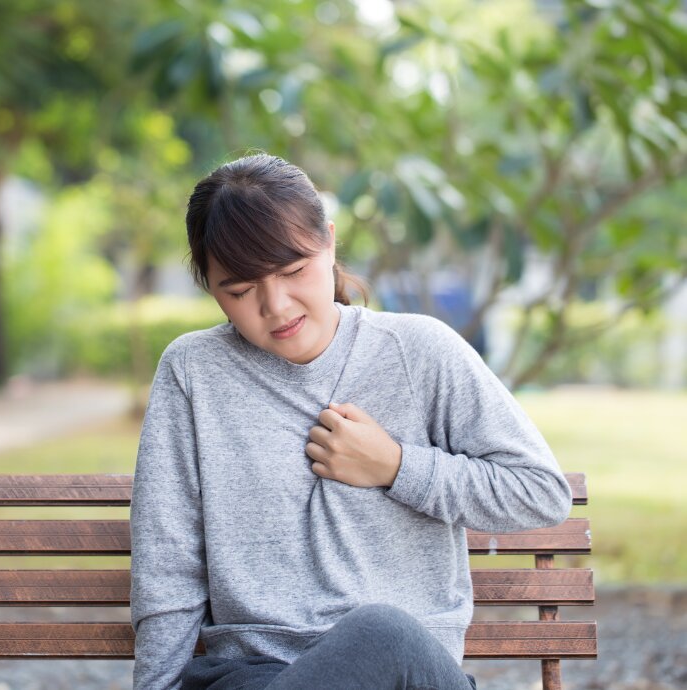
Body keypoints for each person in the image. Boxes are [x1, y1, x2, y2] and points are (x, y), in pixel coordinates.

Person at [129, 153, 573, 690]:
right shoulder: (195, 371)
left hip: (407, 676)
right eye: (240, 291)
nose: (275, 306)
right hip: (257, 676)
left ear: (331, 243)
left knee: (382, 634)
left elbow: (541, 492)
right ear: (210, 288)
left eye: (293, 271)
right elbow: (167, 561)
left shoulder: (419, 352)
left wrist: (396, 467)